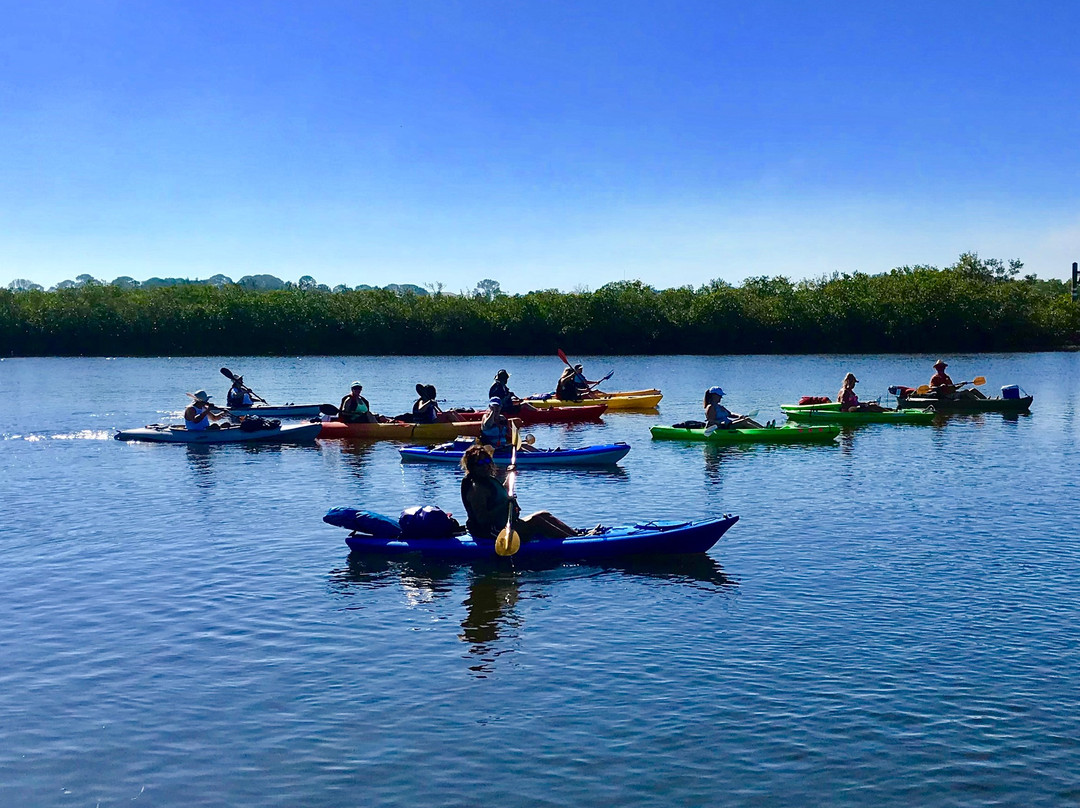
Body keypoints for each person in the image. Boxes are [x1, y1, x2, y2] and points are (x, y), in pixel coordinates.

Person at [459, 445, 578, 541]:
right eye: (480, 463)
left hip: (503, 523)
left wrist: (511, 474)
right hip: (489, 531)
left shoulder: (486, 481)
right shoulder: (476, 489)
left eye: (486, 461)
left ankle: (576, 536)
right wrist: (505, 505)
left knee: (543, 515)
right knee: (537, 522)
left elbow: (502, 493)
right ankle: (573, 542)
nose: (485, 466)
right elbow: (482, 519)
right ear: (472, 467)